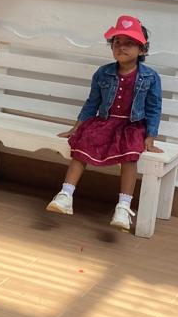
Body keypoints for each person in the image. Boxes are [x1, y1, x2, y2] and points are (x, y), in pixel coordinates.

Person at [46, 15, 163, 232]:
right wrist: (77, 127)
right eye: (117, 42)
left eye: (129, 43)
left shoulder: (150, 77)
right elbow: (92, 103)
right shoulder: (103, 73)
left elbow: (154, 107)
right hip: (105, 122)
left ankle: (123, 207)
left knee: (130, 154)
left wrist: (150, 136)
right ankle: (66, 194)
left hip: (131, 126)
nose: (121, 47)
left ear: (142, 49)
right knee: (83, 142)